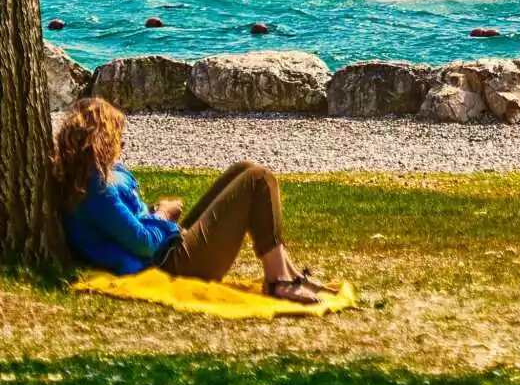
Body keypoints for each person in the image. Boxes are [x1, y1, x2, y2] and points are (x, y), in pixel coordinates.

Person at [53, 97, 322, 303]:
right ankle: (278, 281)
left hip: (168, 249)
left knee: (244, 169)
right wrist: (163, 215)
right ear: (100, 140)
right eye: (117, 137)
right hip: (171, 264)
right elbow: (143, 243)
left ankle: (286, 270)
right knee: (258, 179)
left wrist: (153, 213)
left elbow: (126, 224)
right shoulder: (95, 188)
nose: (121, 145)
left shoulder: (93, 177)